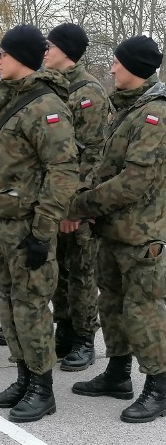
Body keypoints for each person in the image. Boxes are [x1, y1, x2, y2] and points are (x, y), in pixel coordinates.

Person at [0, 24, 79, 422]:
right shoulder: (8, 98)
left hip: (26, 227)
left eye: (3, 54)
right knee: (7, 303)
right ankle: (23, 376)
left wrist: (43, 231)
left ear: (21, 57)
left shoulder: (45, 106)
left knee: (32, 307)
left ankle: (42, 388)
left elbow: (63, 170)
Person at [68, 35, 166, 423]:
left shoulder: (155, 115)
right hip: (111, 230)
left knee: (142, 310)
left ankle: (159, 385)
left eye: (117, 63)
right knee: (110, 304)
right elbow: (102, 165)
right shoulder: (125, 109)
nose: (110, 68)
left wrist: (82, 203)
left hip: (141, 235)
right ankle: (117, 373)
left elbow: (134, 182)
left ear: (137, 68)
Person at [44, 23, 108, 371]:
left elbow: (93, 155)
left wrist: (75, 206)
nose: (45, 52)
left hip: (76, 201)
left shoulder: (89, 93)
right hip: (54, 197)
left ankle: (84, 338)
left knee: (81, 271)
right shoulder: (54, 88)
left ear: (66, 50)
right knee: (61, 271)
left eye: (50, 46)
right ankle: (65, 331)